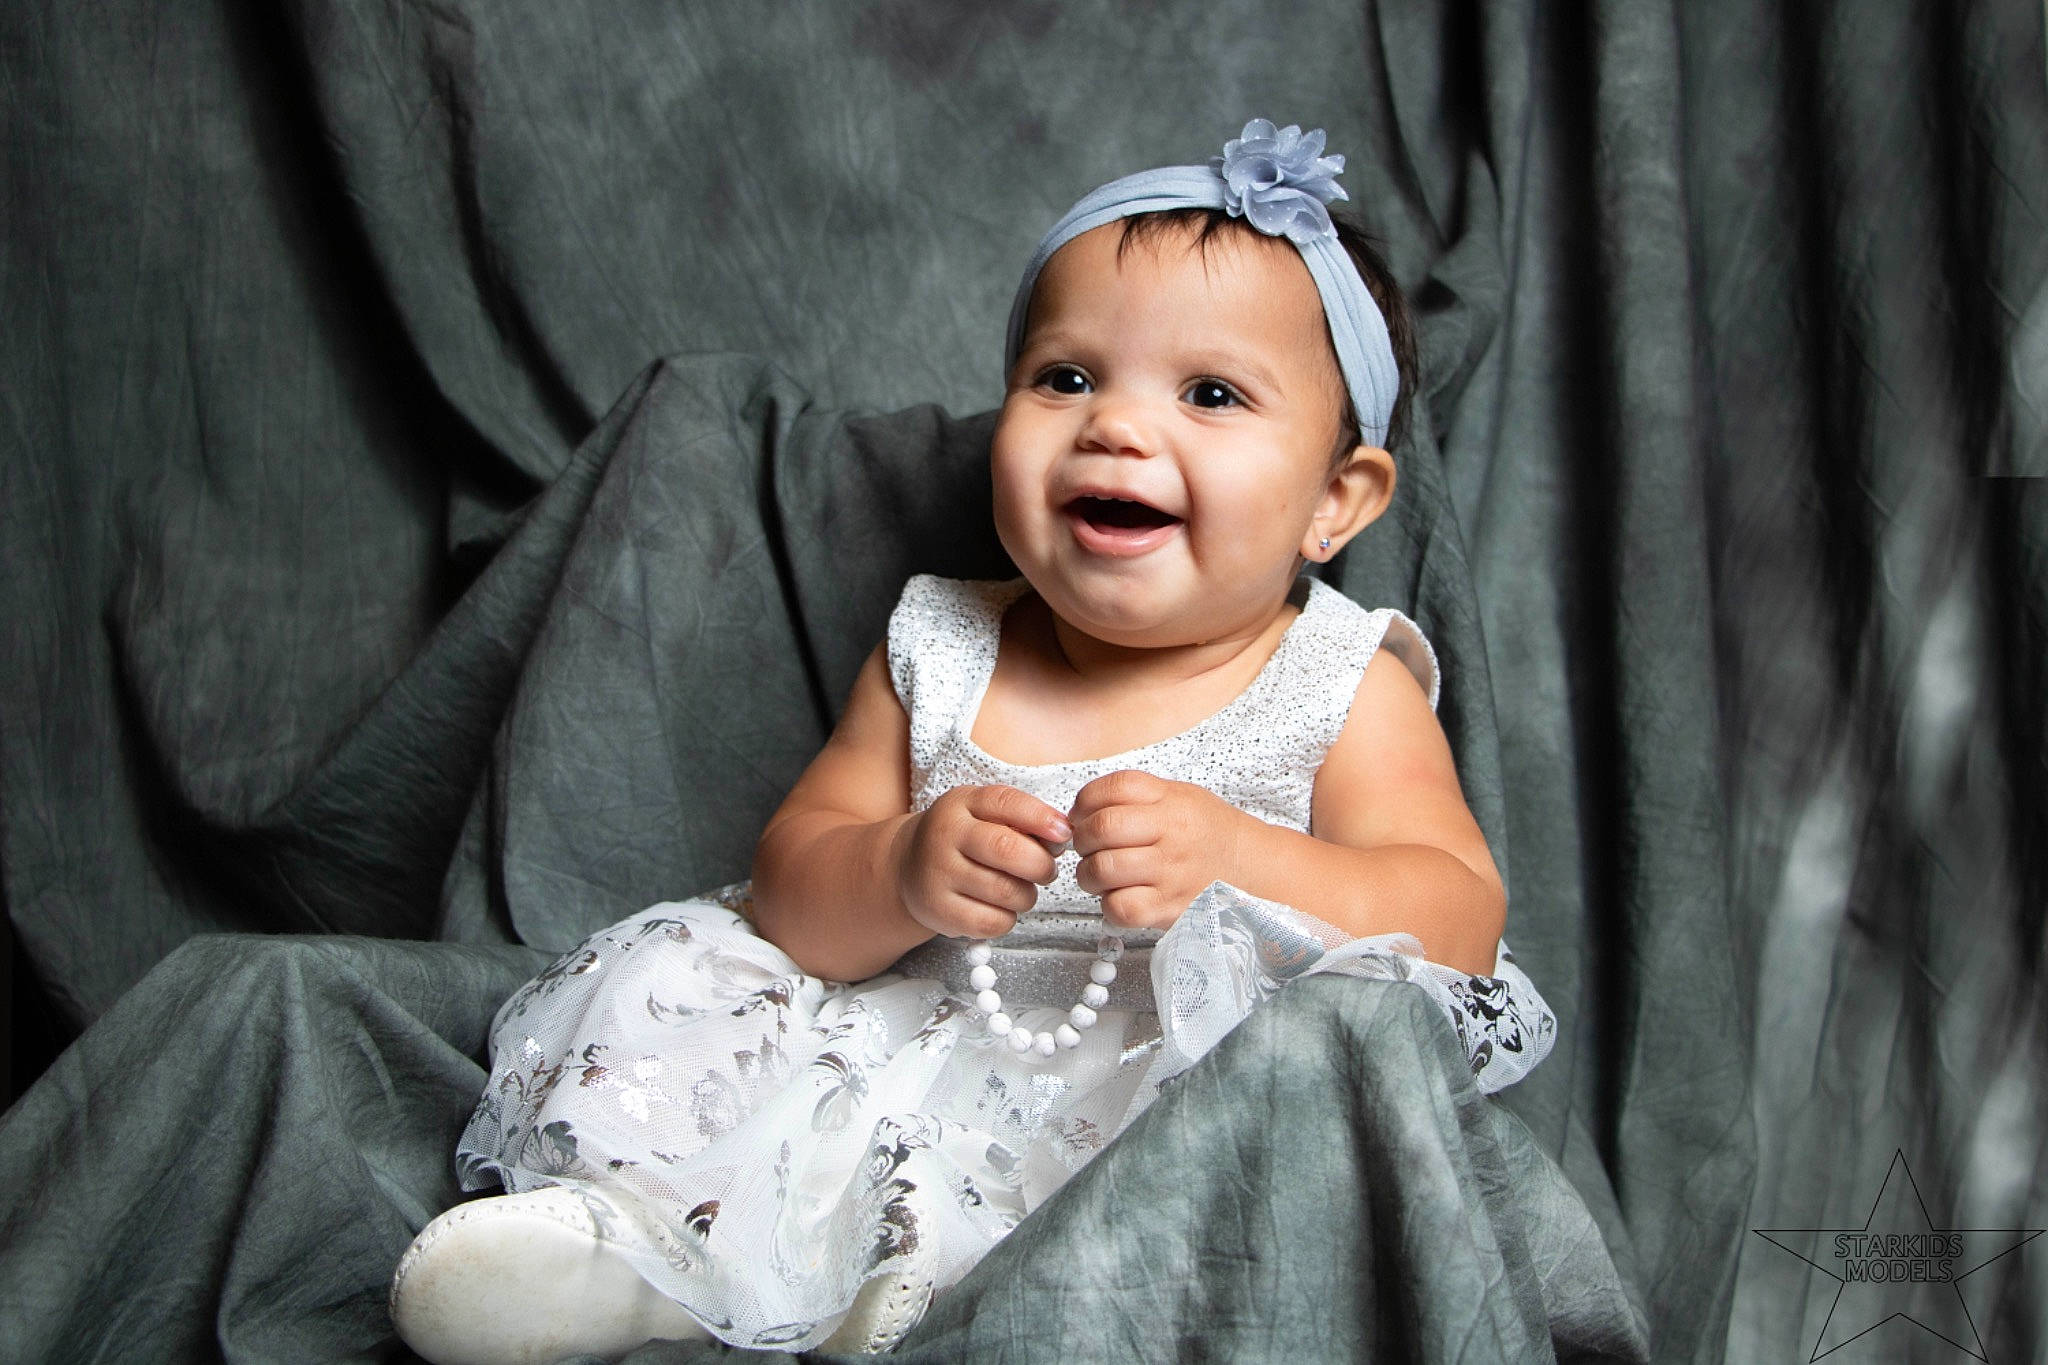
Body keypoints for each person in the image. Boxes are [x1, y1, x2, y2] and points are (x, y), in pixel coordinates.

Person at [389, 119, 1557, 1363]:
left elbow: (1456, 917)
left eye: (1210, 394)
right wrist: (896, 869)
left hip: (1147, 1122)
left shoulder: (1339, 681)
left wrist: (1244, 859)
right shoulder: (944, 643)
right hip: (902, 1062)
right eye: (1064, 378)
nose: (1114, 426)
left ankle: (898, 1296)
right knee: (688, 960)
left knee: (1276, 1105)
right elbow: (792, 885)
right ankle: (629, 1258)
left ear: (1337, 501)